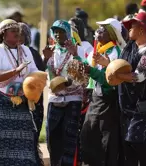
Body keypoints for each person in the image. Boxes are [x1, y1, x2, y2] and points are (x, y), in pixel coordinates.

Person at [0, 19, 39, 165]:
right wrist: (16, 71)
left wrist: (35, 85)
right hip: (0, 104)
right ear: (3, 34)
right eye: (12, 30)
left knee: (24, 141)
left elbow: (34, 71)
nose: (17, 32)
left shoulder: (25, 50)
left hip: (21, 102)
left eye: (17, 30)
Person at [79, 18, 126, 166]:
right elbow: (87, 71)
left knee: (106, 143)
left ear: (111, 34)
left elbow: (110, 80)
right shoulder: (98, 50)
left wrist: (91, 71)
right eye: (98, 29)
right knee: (88, 137)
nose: (98, 32)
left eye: (103, 29)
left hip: (108, 102)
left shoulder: (115, 53)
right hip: (95, 100)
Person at [118, 12, 146, 166]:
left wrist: (117, 76)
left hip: (145, 105)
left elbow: (139, 76)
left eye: (132, 26)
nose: (129, 29)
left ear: (141, 29)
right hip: (129, 105)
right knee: (128, 146)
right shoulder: (130, 48)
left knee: (135, 139)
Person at [43, 20, 85, 166]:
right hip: (55, 98)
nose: (57, 34)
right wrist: (46, 60)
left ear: (68, 33)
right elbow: (48, 75)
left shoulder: (75, 50)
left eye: (61, 31)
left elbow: (82, 75)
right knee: (52, 136)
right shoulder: (50, 51)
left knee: (70, 137)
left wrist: (69, 81)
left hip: (73, 98)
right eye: (55, 31)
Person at [19, 22, 46, 166]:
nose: (17, 37)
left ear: (27, 37)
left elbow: (40, 75)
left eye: (21, 34)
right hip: (17, 102)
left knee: (31, 138)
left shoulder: (32, 53)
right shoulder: (9, 52)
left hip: (33, 103)